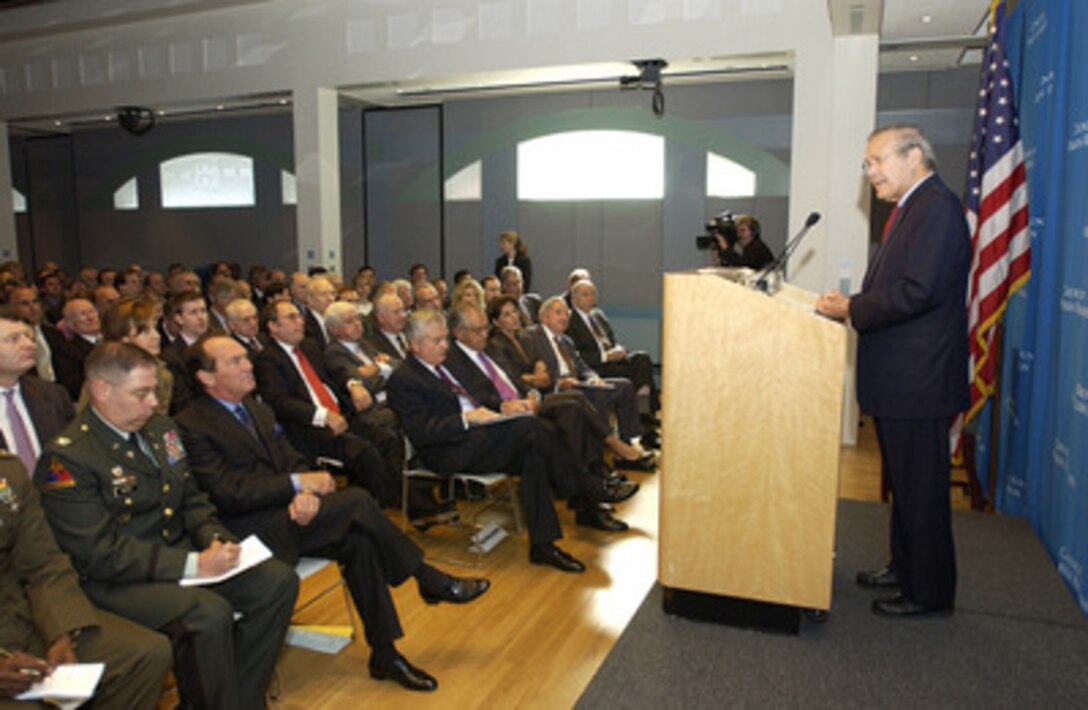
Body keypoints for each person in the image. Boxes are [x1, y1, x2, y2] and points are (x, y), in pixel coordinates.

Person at [177, 334, 489, 692]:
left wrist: (305, 490)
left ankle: (385, 653)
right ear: (206, 377)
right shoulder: (190, 424)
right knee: (356, 501)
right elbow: (226, 492)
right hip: (248, 535)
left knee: (359, 540)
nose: (248, 365)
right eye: (234, 361)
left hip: (294, 517)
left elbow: (290, 458)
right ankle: (425, 576)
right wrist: (296, 485)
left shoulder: (258, 410)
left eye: (246, 358)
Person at [34, 342, 298, 709]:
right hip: (116, 580)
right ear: (101, 390)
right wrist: (194, 564)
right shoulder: (68, 456)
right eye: (141, 394)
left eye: (154, 392)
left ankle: (240, 697)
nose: (153, 403)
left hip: (178, 556)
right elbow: (97, 553)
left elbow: (190, 499)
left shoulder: (161, 430)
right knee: (208, 613)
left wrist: (216, 540)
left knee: (277, 582)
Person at [816, 123, 969, 618]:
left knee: (921, 491)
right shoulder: (914, 208)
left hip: (919, 381)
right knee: (905, 486)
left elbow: (919, 291)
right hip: (904, 379)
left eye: (877, 161)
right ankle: (904, 567)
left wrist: (854, 308)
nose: (871, 172)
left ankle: (929, 591)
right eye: (868, 163)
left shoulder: (938, 209)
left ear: (914, 156)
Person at [386, 309, 634, 573]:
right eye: (437, 341)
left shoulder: (442, 366)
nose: (445, 345)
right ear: (414, 345)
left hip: (478, 437)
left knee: (534, 453)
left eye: (445, 339)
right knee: (531, 429)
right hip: (448, 450)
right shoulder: (404, 379)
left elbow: (481, 394)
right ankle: (588, 490)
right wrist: (467, 418)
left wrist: (499, 410)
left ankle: (544, 545)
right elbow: (421, 432)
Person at [444, 304, 640, 532]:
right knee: (569, 412)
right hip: (503, 417)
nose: (484, 334)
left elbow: (518, 382)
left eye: (485, 328)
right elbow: (479, 398)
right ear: (458, 332)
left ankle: (593, 491)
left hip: (525, 402)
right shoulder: (456, 359)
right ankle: (593, 491)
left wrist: (533, 395)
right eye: (477, 331)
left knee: (573, 405)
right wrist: (514, 403)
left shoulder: (484, 349)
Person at [0, 455, 173, 709]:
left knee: (144, 654)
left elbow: (43, 564)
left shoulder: (8, 473)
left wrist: (61, 632)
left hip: (20, 617)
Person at [254, 300, 398, 506]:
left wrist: (353, 383)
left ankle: (394, 500)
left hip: (341, 413)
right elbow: (279, 402)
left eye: (299, 316)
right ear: (273, 326)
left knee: (387, 438)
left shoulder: (309, 346)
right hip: (308, 427)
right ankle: (386, 503)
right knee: (364, 451)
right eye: (291, 318)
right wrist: (323, 416)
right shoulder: (267, 359)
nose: (300, 322)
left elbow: (335, 374)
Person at [0, 307, 74, 473]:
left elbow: (72, 456)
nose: (29, 345)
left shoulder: (53, 395)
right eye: (14, 339)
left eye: (28, 336)